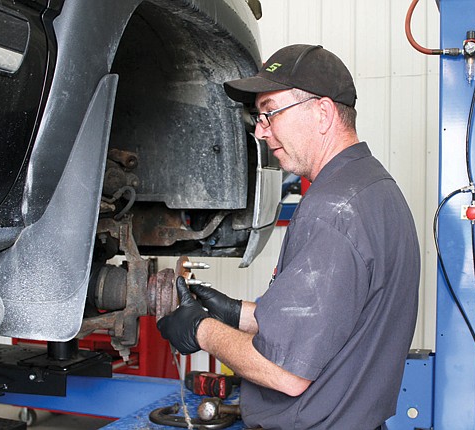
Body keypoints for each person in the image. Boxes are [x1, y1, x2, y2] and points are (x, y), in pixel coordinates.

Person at [157, 44, 420, 430]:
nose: (261, 132)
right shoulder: (374, 188)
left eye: (270, 113)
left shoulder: (331, 210)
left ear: (323, 113)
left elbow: (285, 373)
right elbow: (327, 322)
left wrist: (201, 330)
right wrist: (235, 312)